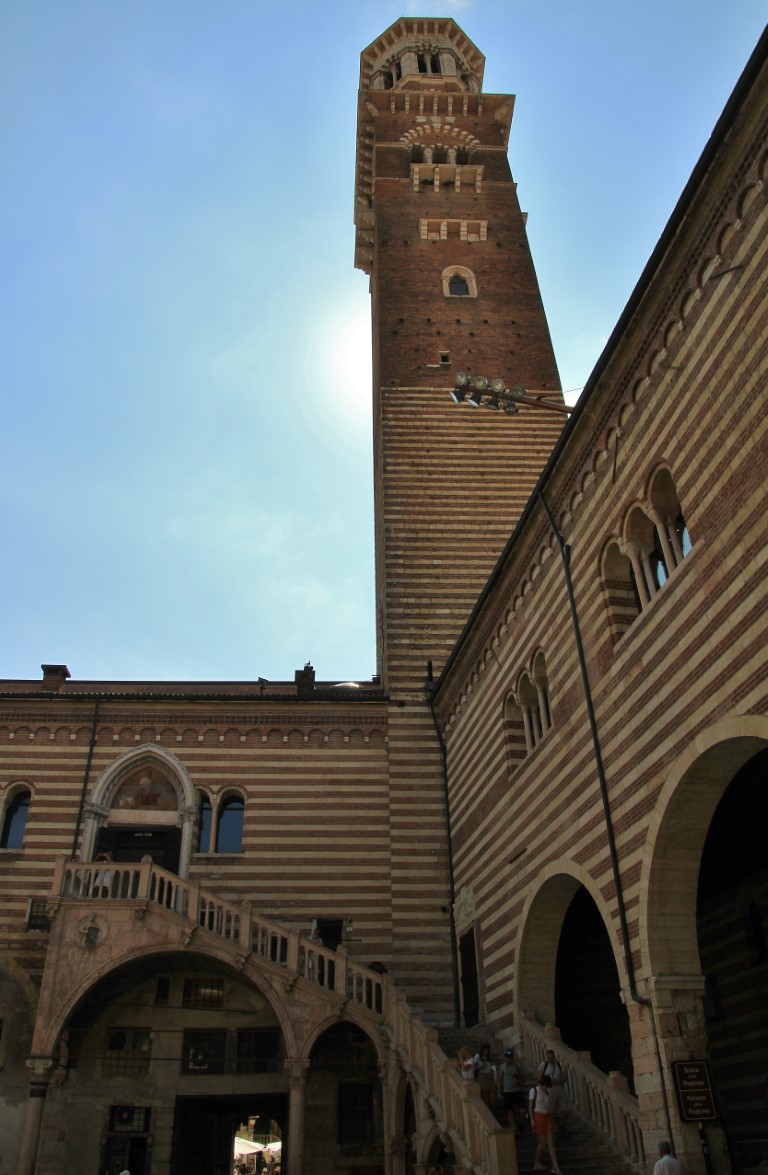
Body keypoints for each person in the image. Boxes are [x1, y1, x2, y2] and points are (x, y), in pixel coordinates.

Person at [529, 1074, 561, 1174]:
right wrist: (532, 1120)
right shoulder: (534, 1091)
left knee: (550, 1142)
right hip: (538, 1116)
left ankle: (555, 1166)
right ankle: (536, 1162)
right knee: (543, 1142)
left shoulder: (546, 1092)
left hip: (546, 1116)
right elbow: (530, 1107)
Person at [497, 1047, 527, 1134]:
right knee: (509, 1112)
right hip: (508, 1092)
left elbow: (524, 1078)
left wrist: (518, 1080)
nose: (508, 1059)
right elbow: (500, 1079)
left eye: (509, 1057)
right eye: (506, 1057)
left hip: (518, 1090)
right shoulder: (502, 1067)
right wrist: (499, 1092)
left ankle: (520, 1123)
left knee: (523, 1111)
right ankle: (514, 1130)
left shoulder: (517, 1066)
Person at [538, 1048, 569, 1125]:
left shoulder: (560, 1065)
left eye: (552, 1057)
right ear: (547, 1057)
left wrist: (557, 1081)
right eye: (549, 1058)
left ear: (554, 1057)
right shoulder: (544, 1065)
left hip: (560, 1090)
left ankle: (562, 1123)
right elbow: (539, 1077)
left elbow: (565, 1078)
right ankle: (555, 1126)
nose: (550, 1059)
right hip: (549, 1091)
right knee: (551, 1112)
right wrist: (546, 1082)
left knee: (566, 1110)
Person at [472, 1043, 497, 1107]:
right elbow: (473, 1068)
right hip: (482, 1076)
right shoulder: (478, 1056)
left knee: (492, 1097)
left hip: (490, 1076)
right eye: (485, 1050)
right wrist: (481, 1066)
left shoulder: (489, 1057)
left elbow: (492, 1066)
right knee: (485, 1097)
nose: (486, 1052)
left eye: (487, 1050)